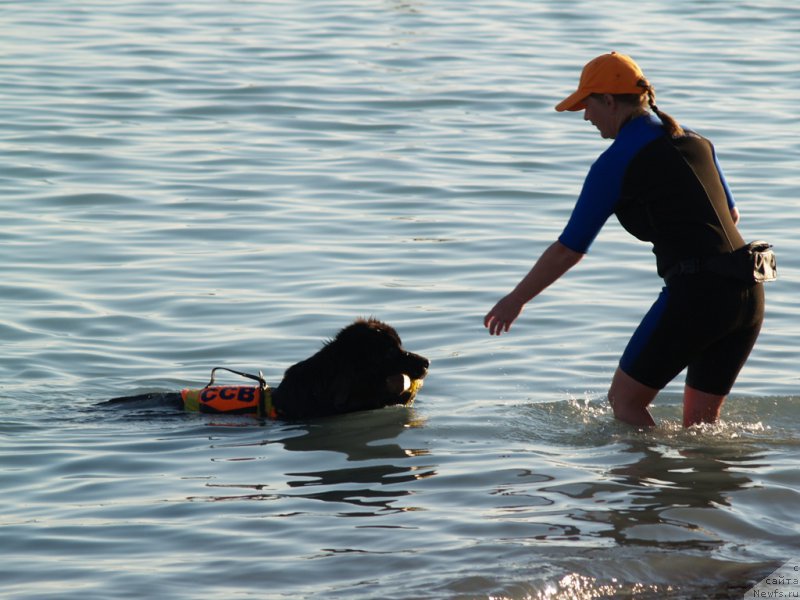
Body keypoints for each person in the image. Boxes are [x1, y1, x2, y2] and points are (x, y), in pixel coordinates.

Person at [483, 51, 766, 428]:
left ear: (609, 101)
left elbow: (569, 249)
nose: (585, 116)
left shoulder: (616, 162)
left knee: (624, 402)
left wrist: (515, 299)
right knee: (701, 426)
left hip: (697, 296)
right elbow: (731, 216)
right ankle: (701, 487)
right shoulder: (697, 142)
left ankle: (643, 486)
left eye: (587, 105)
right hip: (748, 291)